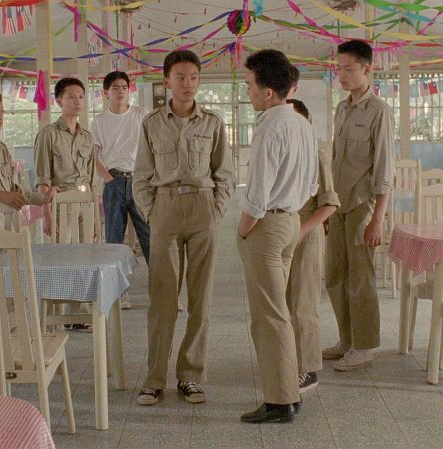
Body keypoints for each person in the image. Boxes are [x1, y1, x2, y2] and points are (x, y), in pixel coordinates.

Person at [133, 49, 234, 406]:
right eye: (180, 77)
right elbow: (141, 176)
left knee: (200, 298)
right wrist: (152, 213)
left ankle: (190, 376)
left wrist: (216, 211)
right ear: (166, 82)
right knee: (162, 298)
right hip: (165, 208)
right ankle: (154, 378)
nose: (187, 84)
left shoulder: (213, 122)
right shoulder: (151, 123)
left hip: (203, 208)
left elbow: (225, 174)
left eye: (193, 77)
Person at [237, 49, 318, 424]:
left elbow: (256, 196)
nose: (248, 91)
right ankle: (287, 395)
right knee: (277, 313)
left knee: (269, 318)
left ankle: (281, 400)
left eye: (250, 85)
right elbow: (312, 185)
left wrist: (243, 231)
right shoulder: (303, 124)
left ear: (268, 91)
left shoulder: (269, 126)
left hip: (267, 227)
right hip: (290, 222)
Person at [323, 40, 394, 371]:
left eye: (348, 69)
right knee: (334, 275)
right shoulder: (342, 109)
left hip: (362, 205)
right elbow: (335, 160)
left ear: (367, 69)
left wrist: (378, 218)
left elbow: (384, 170)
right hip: (338, 204)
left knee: (361, 278)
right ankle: (346, 340)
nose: (342, 75)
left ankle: (364, 346)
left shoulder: (379, 111)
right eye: (339, 68)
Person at [284, 98, 339, 394]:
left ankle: (308, 369)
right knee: (283, 301)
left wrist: (301, 231)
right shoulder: (283, 148)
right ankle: (289, 361)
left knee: (303, 303)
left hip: (307, 230)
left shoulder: (317, 151)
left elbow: (329, 203)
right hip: (283, 231)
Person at [34, 77, 95, 332]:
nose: (77, 101)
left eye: (81, 96)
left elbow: (91, 178)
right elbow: (42, 178)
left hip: (85, 202)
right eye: (71, 96)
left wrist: (95, 216)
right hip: (60, 202)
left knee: (85, 258)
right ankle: (55, 316)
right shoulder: (48, 134)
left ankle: (80, 314)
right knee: (61, 258)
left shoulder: (87, 137)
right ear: (59, 100)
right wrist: (47, 213)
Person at [90, 71, 151, 268]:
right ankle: (114, 283)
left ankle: (160, 283)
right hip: (114, 181)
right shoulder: (99, 121)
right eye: (115, 88)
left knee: (149, 234)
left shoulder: (141, 114)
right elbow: (93, 155)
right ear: (106, 93)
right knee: (113, 238)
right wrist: (108, 178)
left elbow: (154, 145)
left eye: (124, 87)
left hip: (139, 180)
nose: (121, 91)